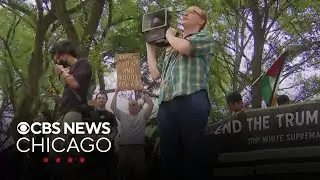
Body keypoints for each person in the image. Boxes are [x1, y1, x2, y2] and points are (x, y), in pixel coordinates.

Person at [146, 6, 214, 180]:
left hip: (192, 99)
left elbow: (185, 47)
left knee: (193, 156)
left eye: (192, 12)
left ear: (201, 21)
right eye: (186, 11)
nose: (186, 13)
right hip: (166, 105)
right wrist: (150, 46)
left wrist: (168, 35)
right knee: (169, 160)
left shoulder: (204, 37)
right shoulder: (171, 48)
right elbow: (155, 74)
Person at [49, 39, 92, 179]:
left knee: (62, 147)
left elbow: (76, 85)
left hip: (75, 113)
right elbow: (67, 98)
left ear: (65, 53)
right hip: (65, 112)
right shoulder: (70, 71)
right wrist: (55, 96)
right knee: (62, 150)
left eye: (58, 55)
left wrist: (62, 72)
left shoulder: (83, 63)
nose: (57, 59)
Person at [111, 89, 154, 180]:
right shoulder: (123, 116)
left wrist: (143, 91)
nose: (131, 106)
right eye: (129, 105)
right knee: (122, 175)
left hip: (138, 150)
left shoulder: (143, 116)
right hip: (124, 149)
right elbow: (113, 107)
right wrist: (116, 92)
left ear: (138, 107)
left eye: (133, 104)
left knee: (141, 175)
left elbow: (151, 104)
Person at [88, 92, 118, 179]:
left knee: (107, 171)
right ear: (96, 100)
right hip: (93, 147)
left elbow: (115, 130)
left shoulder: (111, 115)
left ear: (106, 100)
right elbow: (85, 130)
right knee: (94, 171)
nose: (101, 100)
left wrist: (109, 139)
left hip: (107, 148)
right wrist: (90, 139)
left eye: (103, 98)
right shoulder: (90, 114)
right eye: (99, 98)